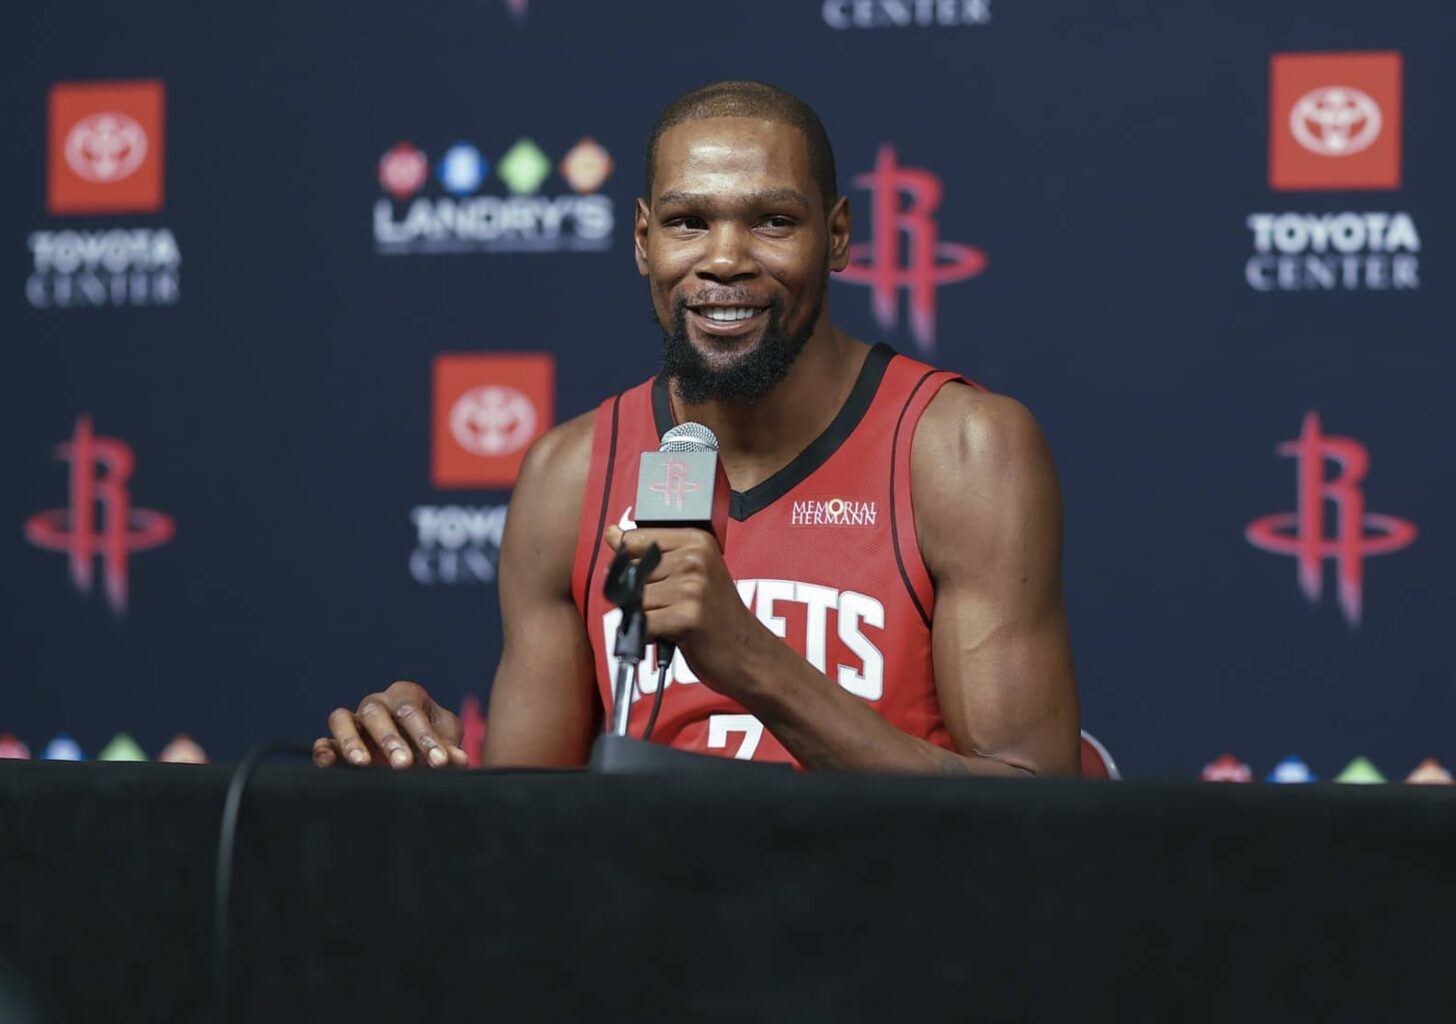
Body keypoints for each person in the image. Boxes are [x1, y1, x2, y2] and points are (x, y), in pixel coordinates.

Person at [314, 81, 1079, 775]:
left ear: (838, 235)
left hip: (882, 916)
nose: (723, 259)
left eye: (773, 221)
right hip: (653, 918)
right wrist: (423, 783)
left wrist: (752, 662)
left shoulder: (961, 450)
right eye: (688, 222)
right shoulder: (569, 474)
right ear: (644, 241)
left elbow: (1031, 810)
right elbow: (529, 833)